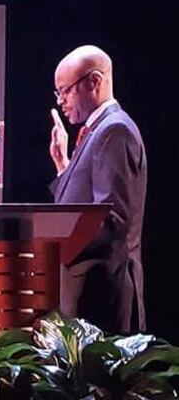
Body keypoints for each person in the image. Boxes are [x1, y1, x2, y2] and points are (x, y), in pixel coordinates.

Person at [49, 45, 147, 334]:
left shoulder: (115, 130)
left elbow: (112, 220)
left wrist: (51, 245)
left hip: (102, 297)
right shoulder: (95, 132)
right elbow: (83, 206)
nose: (61, 101)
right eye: (58, 93)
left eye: (66, 91)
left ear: (94, 81)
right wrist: (63, 167)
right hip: (85, 294)